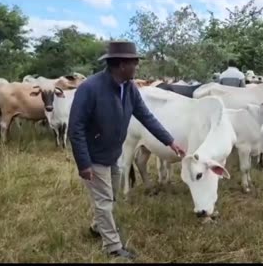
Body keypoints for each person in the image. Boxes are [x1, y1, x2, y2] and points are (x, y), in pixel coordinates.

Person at [68, 41, 185, 259]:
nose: (137, 66)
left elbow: (145, 116)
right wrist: (83, 163)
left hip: (114, 153)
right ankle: (113, 247)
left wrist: (170, 141)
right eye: (135, 62)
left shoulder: (129, 88)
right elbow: (75, 129)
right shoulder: (89, 88)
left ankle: (97, 227)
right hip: (94, 156)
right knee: (104, 201)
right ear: (121, 64)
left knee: (111, 197)